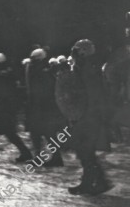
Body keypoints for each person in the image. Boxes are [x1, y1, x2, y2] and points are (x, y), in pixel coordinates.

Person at [61, 39, 111, 195]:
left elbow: (89, 94)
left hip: (88, 116)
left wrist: (80, 113)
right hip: (87, 115)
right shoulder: (85, 67)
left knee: (85, 150)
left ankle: (94, 182)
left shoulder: (87, 68)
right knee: (85, 151)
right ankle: (95, 182)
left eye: (76, 51)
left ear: (82, 52)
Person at [0, 53, 33, 162]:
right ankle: (24, 152)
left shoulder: (2, 75)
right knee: (4, 129)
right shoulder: (9, 72)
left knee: (7, 131)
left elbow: (3, 92)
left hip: (4, 107)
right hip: (7, 106)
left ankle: (25, 152)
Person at [25, 48, 65, 166]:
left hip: (40, 107)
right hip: (44, 106)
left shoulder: (39, 70)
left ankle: (50, 158)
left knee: (44, 132)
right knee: (44, 133)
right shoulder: (45, 69)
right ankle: (48, 157)